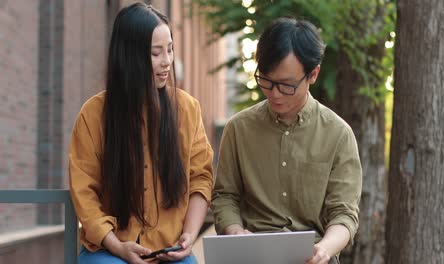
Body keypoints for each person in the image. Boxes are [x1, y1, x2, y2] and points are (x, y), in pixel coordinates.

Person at [69, 3, 213, 264]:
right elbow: (84, 192)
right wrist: (116, 246)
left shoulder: (188, 109)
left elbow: (201, 179)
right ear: (129, 57)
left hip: (170, 250)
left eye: (170, 49)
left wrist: (189, 236)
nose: (167, 61)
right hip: (108, 250)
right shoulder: (93, 115)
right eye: (156, 53)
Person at [212, 17, 362, 264]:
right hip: (251, 254)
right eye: (266, 81)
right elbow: (225, 196)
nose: (274, 93)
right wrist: (235, 232)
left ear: (313, 74)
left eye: (286, 85)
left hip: (311, 257)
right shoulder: (238, 129)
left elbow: (344, 214)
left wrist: (324, 249)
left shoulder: (338, 135)